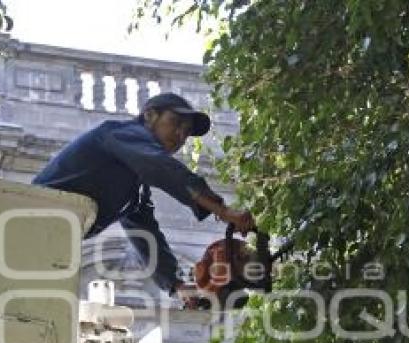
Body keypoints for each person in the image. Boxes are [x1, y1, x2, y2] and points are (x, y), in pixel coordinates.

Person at [33, 92, 254, 306]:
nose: (180, 135)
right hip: (28, 219)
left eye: (186, 132)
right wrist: (223, 211)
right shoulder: (120, 133)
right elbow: (160, 166)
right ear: (149, 115)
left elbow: (145, 234)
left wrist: (176, 284)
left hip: (52, 238)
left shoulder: (134, 187)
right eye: (175, 123)